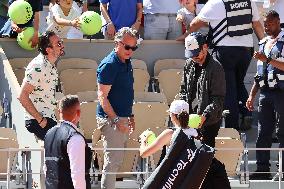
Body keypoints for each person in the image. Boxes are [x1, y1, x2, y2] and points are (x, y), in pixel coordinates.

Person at [180, 0, 264, 130]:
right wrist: (264, 44)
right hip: (246, 51)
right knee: (238, 83)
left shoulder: (215, 3)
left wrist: (186, 35)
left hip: (225, 51)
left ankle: (232, 127)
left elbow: (195, 23)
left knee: (228, 89)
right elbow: (257, 24)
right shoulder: (249, 2)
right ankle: (247, 113)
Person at [139, 100, 231, 189]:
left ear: (173, 116)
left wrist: (143, 139)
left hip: (175, 181)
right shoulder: (196, 134)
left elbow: (144, 153)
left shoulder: (169, 134)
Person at [96, 27, 137, 189]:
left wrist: (130, 115)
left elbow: (127, 92)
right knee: (112, 162)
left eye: (133, 48)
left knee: (116, 161)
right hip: (111, 119)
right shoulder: (109, 65)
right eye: (127, 47)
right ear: (116, 43)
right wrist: (116, 120)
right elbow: (102, 97)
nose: (130, 51)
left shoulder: (127, 61)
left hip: (122, 117)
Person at [246, 10, 284, 180]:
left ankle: (282, 171)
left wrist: (267, 59)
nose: (267, 27)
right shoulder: (263, 43)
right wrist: (251, 95)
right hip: (265, 93)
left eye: (270, 24)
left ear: (278, 21)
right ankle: (262, 170)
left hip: (281, 92)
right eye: (265, 24)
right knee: (263, 133)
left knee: (282, 132)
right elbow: (259, 73)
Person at [179, 32, 225, 148]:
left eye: (196, 53)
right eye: (191, 54)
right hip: (190, 122)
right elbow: (183, 91)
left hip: (209, 124)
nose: (195, 57)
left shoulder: (216, 68)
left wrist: (204, 116)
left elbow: (218, 99)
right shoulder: (188, 64)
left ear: (205, 47)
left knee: (205, 161)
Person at [18, 31, 64, 140]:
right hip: (38, 121)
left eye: (61, 42)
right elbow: (22, 96)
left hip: (49, 119)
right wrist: (40, 120)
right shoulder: (38, 66)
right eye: (58, 44)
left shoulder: (51, 66)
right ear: (48, 50)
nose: (62, 46)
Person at [44, 95, 92, 189]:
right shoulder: (75, 137)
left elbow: (46, 168)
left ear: (59, 112)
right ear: (78, 113)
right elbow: (77, 174)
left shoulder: (48, 134)